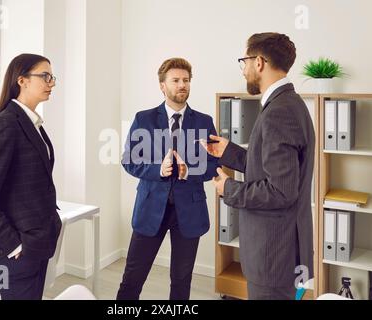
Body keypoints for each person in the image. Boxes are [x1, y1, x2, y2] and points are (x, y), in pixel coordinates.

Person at [204, 33, 315, 300]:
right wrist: (229, 151)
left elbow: (280, 191)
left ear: (260, 62)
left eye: (244, 62)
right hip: (284, 252)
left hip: (274, 256)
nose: (243, 70)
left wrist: (228, 188)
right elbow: (269, 168)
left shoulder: (279, 111)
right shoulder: (290, 103)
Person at [117, 58, 219, 300]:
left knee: (182, 280)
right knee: (132, 278)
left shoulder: (204, 122)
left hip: (189, 211)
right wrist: (158, 170)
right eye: (175, 80)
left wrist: (189, 171)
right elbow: (129, 160)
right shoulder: (144, 119)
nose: (182, 85)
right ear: (162, 86)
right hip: (150, 208)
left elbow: (214, 164)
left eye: (186, 80)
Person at [0, 53, 61, 300]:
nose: (51, 83)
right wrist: (13, 245)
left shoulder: (32, 122)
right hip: (16, 252)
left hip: (38, 242)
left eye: (52, 77)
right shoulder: (5, 124)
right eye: (45, 76)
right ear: (21, 80)